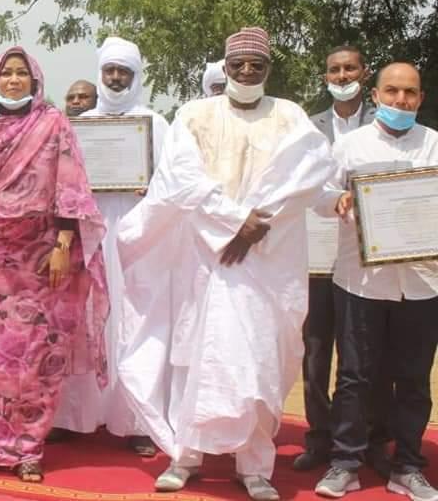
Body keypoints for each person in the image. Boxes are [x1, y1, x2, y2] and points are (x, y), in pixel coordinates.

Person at [116, 27, 334, 500]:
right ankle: (185, 456)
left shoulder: (290, 116)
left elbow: (309, 173)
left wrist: (258, 225)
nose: (248, 71)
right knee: (195, 351)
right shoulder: (195, 115)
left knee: (259, 358)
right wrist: (237, 221)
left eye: (257, 64)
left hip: (268, 260)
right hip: (208, 256)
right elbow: (182, 178)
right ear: (227, 66)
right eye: (239, 64)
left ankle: (254, 466)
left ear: (268, 68)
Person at [0, 46, 109, 483]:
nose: (14, 81)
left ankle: (27, 449)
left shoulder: (52, 124)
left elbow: (70, 186)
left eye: (22, 74)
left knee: (35, 357)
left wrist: (63, 242)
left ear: (35, 81)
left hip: (39, 258)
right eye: (7, 74)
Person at [313, 63, 438, 500]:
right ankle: (344, 462)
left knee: (414, 380)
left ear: (420, 98)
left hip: (423, 284)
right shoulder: (350, 146)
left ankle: (406, 465)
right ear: (377, 94)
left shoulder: (435, 146)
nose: (401, 101)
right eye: (392, 92)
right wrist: (338, 199)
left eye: (409, 93)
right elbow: (318, 194)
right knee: (353, 377)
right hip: (360, 281)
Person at [53, 38, 169, 456]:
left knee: (134, 323)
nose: (116, 78)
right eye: (109, 71)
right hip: (90, 233)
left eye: (124, 71)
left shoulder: (155, 124)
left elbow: (173, 181)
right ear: (100, 74)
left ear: (136, 76)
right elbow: (63, 180)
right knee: (82, 320)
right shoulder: (79, 125)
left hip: (138, 236)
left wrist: (148, 187)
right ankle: (73, 417)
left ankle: (136, 420)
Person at [294, 46, 386, 474]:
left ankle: (365, 437)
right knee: (315, 357)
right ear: (324, 76)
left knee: (363, 356)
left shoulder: (385, 124)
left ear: (365, 74)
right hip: (313, 258)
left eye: (350, 67)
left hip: (367, 262)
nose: (342, 74)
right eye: (334, 69)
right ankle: (319, 438)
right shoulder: (307, 129)